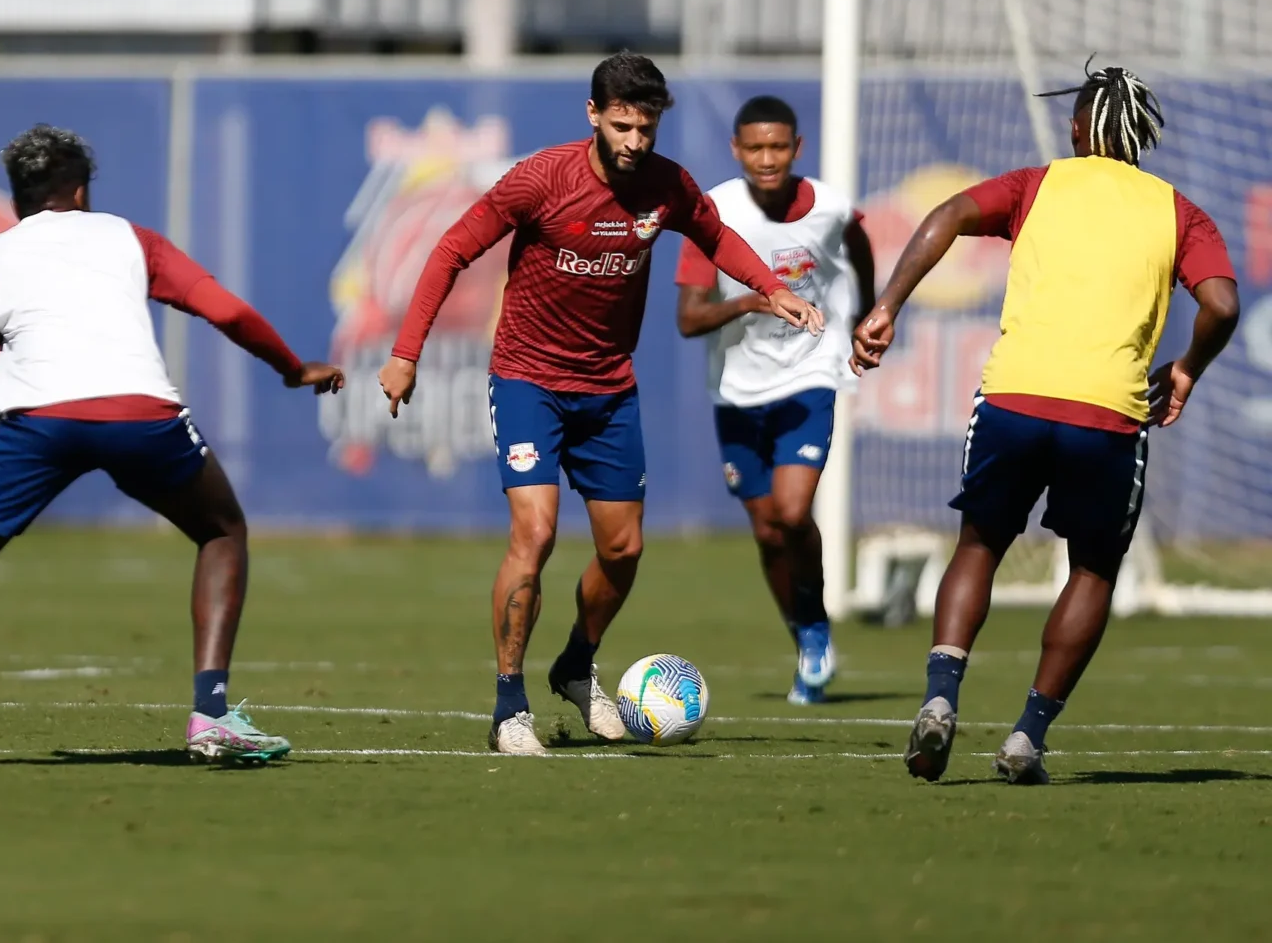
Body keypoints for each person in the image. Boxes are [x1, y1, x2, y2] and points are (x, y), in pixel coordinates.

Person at [0, 125, 343, 769]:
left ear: (17, 199)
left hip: (36, 426)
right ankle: (212, 713)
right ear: (80, 189)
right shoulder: (130, 238)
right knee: (222, 531)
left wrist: (4, 455)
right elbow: (223, 310)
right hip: (141, 415)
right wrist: (288, 366)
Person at [378, 52, 825, 755]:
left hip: (609, 388)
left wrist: (771, 288)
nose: (634, 142)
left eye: (645, 128)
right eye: (622, 126)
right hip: (528, 379)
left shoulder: (666, 186)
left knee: (623, 549)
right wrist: (407, 353)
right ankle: (509, 707)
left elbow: (716, 236)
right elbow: (450, 252)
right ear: (593, 115)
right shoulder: (541, 180)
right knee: (537, 533)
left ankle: (576, 665)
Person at [852, 62, 1239, 784]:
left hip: (1014, 399)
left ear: (1074, 127)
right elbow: (1220, 303)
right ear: (1141, 140)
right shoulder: (1178, 212)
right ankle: (1027, 737)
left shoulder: (1036, 185)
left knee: (981, 542)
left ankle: (941, 698)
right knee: (1093, 567)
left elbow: (946, 215)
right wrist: (1186, 367)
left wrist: (887, 307)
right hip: (1107, 414)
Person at [674, 95, 874, 704]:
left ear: (797, 148)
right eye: (755, 148)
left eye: (778, 147)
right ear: (737, 150)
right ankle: (805, 634)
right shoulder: (711, 212)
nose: (767, 159)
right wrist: (754, 300)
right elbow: (688, 319)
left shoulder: (829, 207)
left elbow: (859, 244)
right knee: (766, 532)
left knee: (791, 512)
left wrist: (868, 314)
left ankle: (817, 633)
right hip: (737, 390)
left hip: (809, 372)